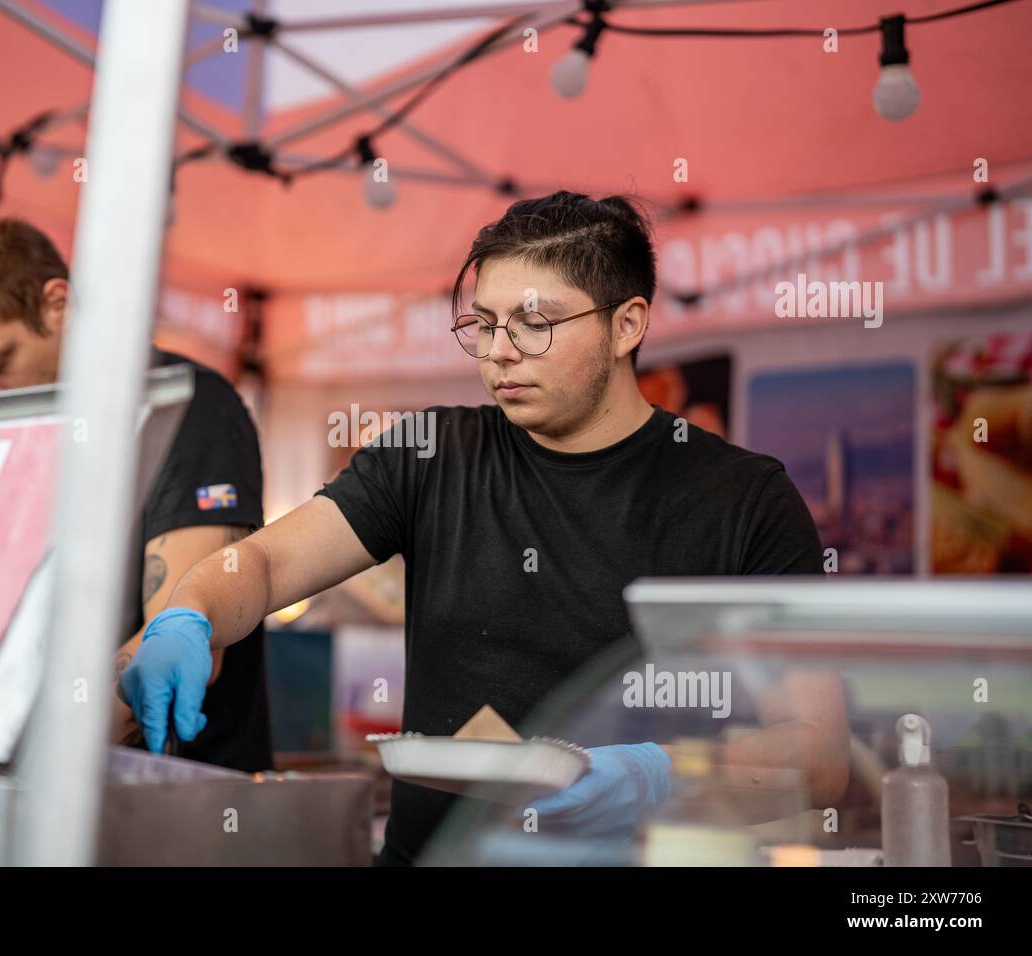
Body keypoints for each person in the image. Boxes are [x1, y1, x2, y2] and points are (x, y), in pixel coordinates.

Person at [118, 192, 849, 865]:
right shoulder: (431, 455)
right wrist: (191, 613)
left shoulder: (743, 497)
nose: (499, 351)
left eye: (534, 324)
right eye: (484, 324)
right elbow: (268, 565)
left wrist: (655, 775)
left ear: (627, 324)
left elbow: (820, 756)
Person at [0, 217, 273, 771]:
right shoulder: (20, 430)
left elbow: (184, 639)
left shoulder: (186, 407)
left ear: (58, 304)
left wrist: (21, 759)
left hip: (172, 806)